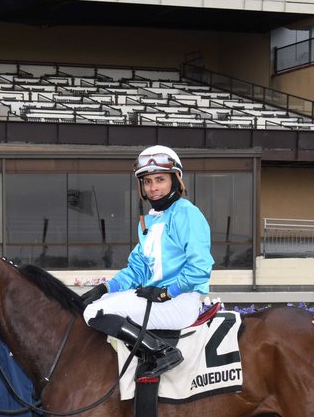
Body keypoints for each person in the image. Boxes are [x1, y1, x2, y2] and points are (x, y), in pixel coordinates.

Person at [78, 145, 214, 377]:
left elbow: (200, 269)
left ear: (175, 180)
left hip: (180, 301)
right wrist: (104, 287)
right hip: (157, 297)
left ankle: (162, 352)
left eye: (160, 179)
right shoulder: (149, 221)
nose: (153, 188)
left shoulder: (187, 213)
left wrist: (166, 292)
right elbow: (137, 271)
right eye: (148, 181)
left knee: (95, 313)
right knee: (101, 302)